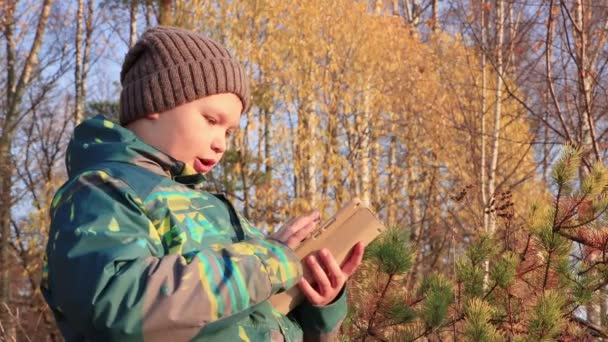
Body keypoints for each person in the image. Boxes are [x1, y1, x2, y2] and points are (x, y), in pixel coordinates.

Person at [41, 26, 364, 341]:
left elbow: (260, 321)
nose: (221, 143)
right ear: (156, 101)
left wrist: (319, 306)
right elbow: (116, 305)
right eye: (211, 120)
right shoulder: (102, 191)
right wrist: (269, 262)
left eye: (228, 132)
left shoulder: (220, 214)